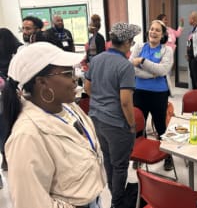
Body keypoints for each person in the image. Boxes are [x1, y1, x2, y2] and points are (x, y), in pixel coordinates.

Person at [2, 42, 106, 208]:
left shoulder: (68, 107)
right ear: (41, 82)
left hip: (93, 199)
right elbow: (29, 202)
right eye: (67, 73)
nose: (74, 79)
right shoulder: (27, 135)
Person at [84, 22, 141, 208]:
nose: (131, 46)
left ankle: (114, 194)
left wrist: (101, 101)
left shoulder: (97, 59)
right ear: (126, 43)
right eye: (131, 43)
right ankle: (117, 202)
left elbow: (87, 87)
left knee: (108, 159)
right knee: (120, 165)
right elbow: (125, 101)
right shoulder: (125, 66)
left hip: (97, 119)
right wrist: (132, 125)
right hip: (116, 124)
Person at [129, 20, 174, 171]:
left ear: (162, 35)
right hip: (140, 92)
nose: (153, 32)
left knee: (161, 126)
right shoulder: (139, 46)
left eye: (157, 30)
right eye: (152, 29)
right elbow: (130, 68)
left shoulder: (167, 50)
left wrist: (142, 61)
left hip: (159, 94)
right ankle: (139, 155)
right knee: (139, 126)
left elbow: (162, 70)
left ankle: (168, 156)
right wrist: (151, 74)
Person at [0, 28, 23, 189]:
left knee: (3, 130)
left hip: (4, 98)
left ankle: (6, 157)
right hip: (14, 96)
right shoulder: (17, 53)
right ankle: (11, 158)